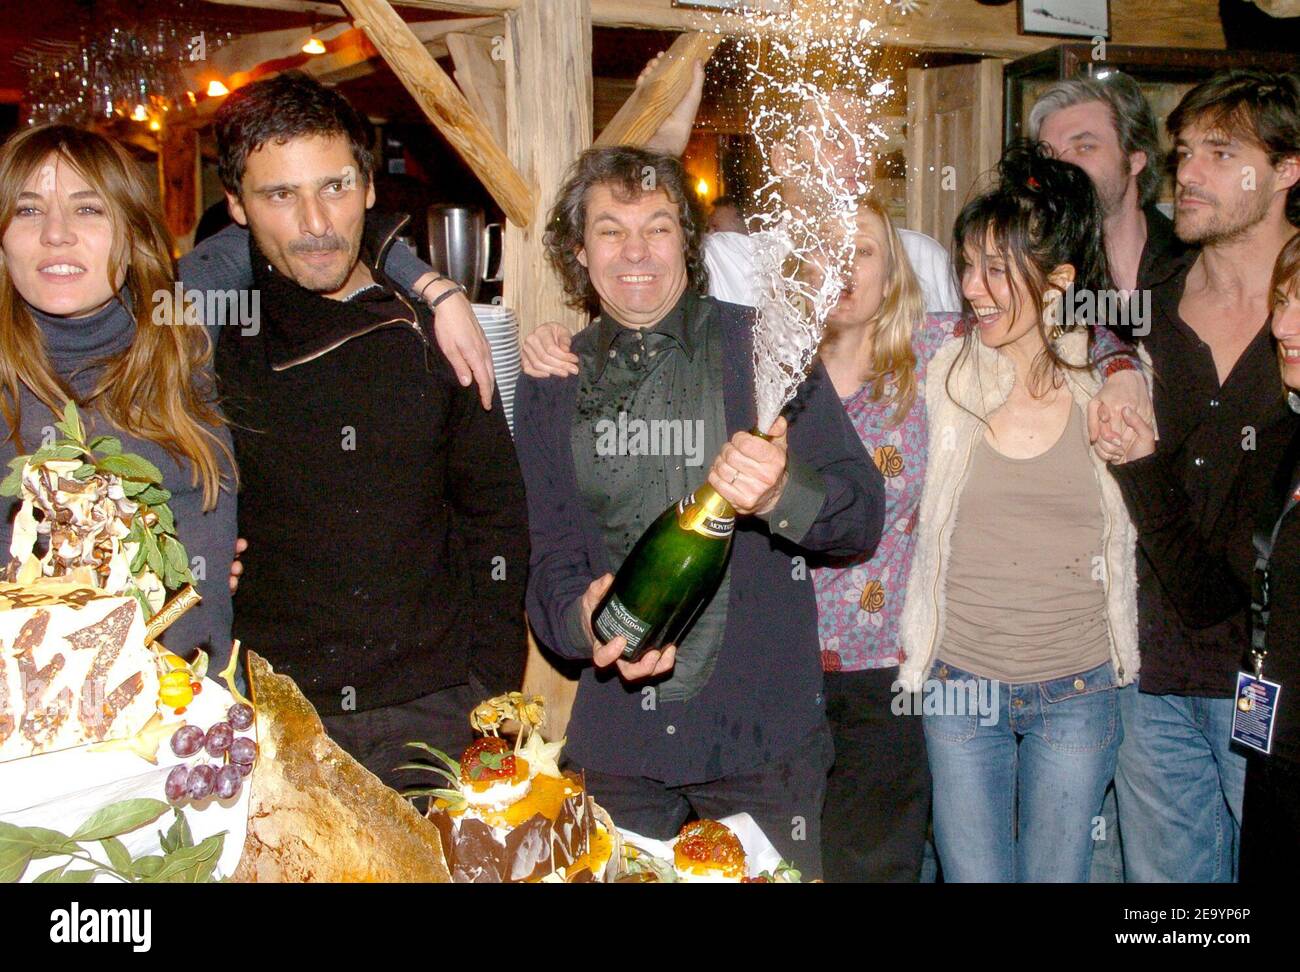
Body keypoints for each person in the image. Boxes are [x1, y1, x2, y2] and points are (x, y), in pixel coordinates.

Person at [515, 144, 885, 878]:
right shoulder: (553, 381)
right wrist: (582, 621)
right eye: (610, 230)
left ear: (687, 236)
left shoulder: (764, 346)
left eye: (657, 225)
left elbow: (862, 517)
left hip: (764, 746)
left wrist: (783, 493)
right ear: (577, 251)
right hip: (619, 748)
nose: (636, 251)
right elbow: (550, 560)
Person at [209, 72, 528, 791]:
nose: (317, 221)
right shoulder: (211, 339)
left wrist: (486, 691)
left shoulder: (433, 336)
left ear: (370, 189)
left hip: (436, 711)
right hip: (272, 722)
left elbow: (496, 517)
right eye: (280, 195)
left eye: (336, 186)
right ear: (236, 205)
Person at [899, 142, 1144, 883]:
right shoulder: (938, 365)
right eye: (966, 264)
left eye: (996, 269)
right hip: (957, 681)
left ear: (1060, 280)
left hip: (1080, 686)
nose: (972, 287)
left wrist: (1124, 365)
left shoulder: (1115, 384)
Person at [1099, 70, 1300, 883]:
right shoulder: (1147, 300)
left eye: (1222, 152)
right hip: (1149, 676)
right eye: (1185, 152)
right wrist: (1113, 359)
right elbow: (1059, 320)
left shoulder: (1296, 332)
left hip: (1274, 691)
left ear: (1288, 170)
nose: (1189, 173)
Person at [0, 124, 237, 669]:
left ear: (133, 233)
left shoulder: (185, 317)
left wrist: (433, 288)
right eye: (28, 210)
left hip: (204, 721)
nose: (56, 234)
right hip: (56, 731)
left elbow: (307, 229)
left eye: (88, 209)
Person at [1029, 71, 1192, 302]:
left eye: (1084, 147)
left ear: (1135, 159)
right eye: (1049, 155)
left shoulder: (1192, 263)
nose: (1061, 166)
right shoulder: (1033, 271)